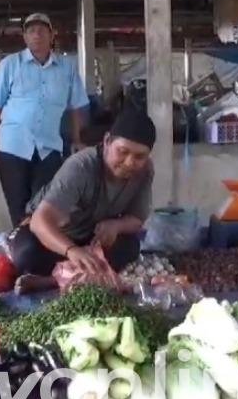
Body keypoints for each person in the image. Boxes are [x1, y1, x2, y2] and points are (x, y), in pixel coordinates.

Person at [9, 109, 156, 293]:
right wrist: (71, 250)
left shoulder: (145, 171)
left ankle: (50, 281)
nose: (129, 163)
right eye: (122, 152)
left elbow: (136, 219)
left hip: (92, 240)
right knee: (26, 255)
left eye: (139, 156)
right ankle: (79, 275)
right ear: (107, 141)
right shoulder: (81, 167)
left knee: (130, 247)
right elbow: (40, 222)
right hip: (55, 236)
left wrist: (116, 225)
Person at [0, 12, 90, 226]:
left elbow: (77, 106)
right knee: (18, 207)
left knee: (44, 207)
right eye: (31, 31)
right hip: (12, 147)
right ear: (24, 37)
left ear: (52, 36)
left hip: (49, 148)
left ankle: (38, 250)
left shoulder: (67, 68)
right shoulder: (10, 65)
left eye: (42, 30)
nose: (36, 35)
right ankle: (22, 250)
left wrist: (77, 139)